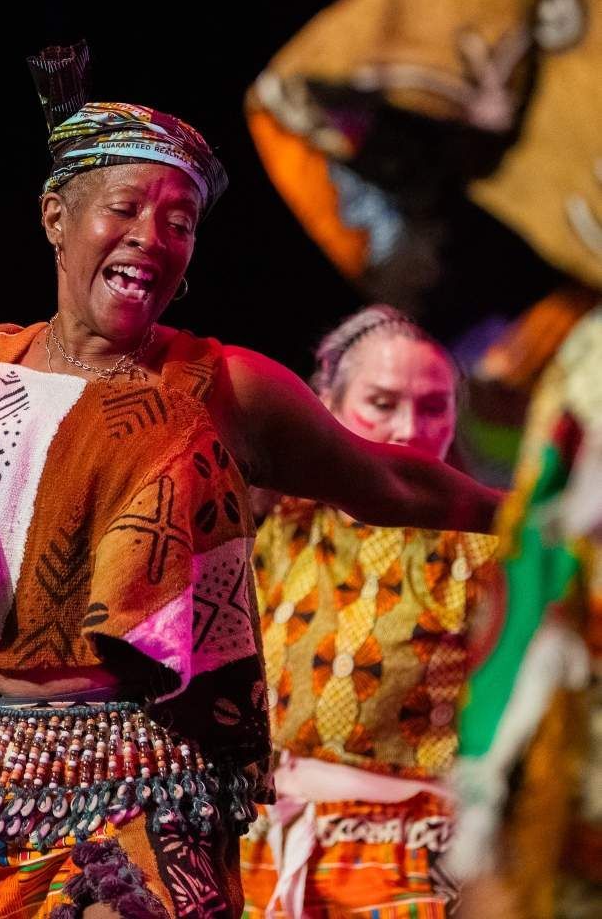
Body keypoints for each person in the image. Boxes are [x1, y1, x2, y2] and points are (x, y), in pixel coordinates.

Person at [0, 11, 504, 918]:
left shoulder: (222, 384)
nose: (153, 235)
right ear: (57, 217)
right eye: (126, 208)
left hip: (123, 779)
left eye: (180, 222)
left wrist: (545, 506)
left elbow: (393, 482)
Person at [238, 306, 501, 917]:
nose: (410, 428)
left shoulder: (485, 554)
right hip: (259, 854)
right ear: (325, 406)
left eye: (434, 406)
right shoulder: (273, 523)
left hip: (407, 867)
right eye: (382, 403)